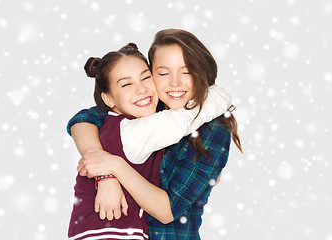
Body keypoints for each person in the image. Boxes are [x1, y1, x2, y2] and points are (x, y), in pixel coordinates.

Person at [68, 29, 243, 239]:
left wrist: (112, 166)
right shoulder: (145, 109)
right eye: (163, 72)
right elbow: (84, 118)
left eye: (186, 71)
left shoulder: (212, 129)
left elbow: (167, 210)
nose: (175, 82)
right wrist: (103, 172)